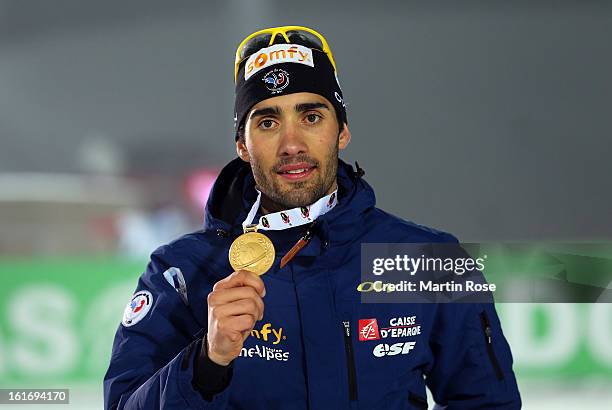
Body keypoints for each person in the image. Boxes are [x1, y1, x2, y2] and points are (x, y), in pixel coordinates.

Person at [104, 26, 522, 409]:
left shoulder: (426, 259)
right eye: (267, 122)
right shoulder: (181, 273)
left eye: (311, 117)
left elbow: (487, 402)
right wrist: (206, 362)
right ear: (243, 145)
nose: (291, 143)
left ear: (341, 131)